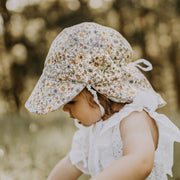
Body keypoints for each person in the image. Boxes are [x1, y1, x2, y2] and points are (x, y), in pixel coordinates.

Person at [25, 22, 180, 180]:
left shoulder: (133, 119)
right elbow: (71, 163)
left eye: (72, 102)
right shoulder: (93, 130)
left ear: (99, 90)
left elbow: (140, 161)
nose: (65, 109)